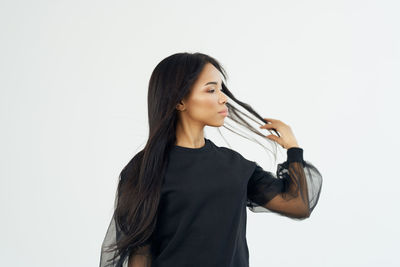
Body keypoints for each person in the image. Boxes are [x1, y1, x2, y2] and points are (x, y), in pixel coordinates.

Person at [99, 52, 323, 267]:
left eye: (221, 89)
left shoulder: (235, 167)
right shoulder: (145, 169)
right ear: (180, 101)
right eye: (211, 90)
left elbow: (298, 204)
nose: (223, 98)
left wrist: (293, 149)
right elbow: (140, 252)